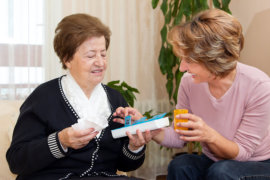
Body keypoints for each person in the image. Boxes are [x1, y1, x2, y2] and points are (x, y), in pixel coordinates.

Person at [114, 9, 270, 180]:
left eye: (188, 60)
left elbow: (242, 153)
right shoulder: (189, 82)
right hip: (214, 161)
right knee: (181, 165)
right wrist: (150, 128)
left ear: (213, 59)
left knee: (222, 171)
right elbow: (179, 136)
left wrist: (209, 135)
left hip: (258, 163)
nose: (182, 68)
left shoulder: (258, 85)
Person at [6, 13, 152, 180]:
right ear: (67, 59)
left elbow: (125, 165)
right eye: (91, 56)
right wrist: (61, 141)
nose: (100, 62)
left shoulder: (115, 99)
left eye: (103, 54)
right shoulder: (44, 97)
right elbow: (16, 161)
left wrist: (134, 146)